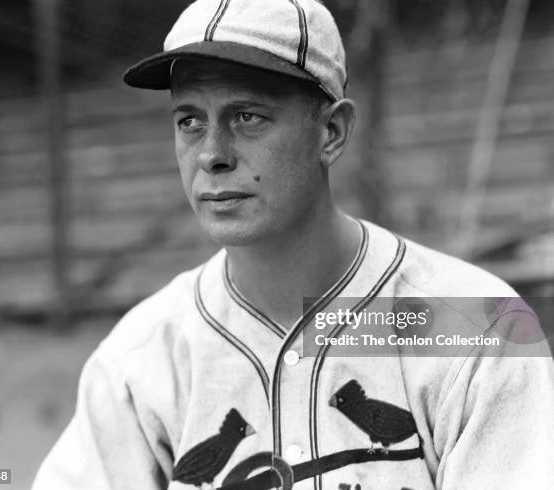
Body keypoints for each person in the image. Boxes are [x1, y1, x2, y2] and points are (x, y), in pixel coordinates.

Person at [32, 0, 554, 489]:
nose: (212, 154)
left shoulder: (476, 327)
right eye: (190, 120)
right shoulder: (141, 359)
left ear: (331, 132)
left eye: (247, 116)